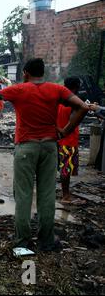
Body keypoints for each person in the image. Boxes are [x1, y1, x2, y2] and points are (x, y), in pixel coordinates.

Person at [0, 58, 90, 251]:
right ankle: (46, 241)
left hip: (26, 147)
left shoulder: (19, 89)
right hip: (50, 147)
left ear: (25, 73)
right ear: (43, 72)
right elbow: (83, 107)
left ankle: (23, 243)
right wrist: (66, 130)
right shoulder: (56, 89)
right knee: (47, 194)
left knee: (24, 194)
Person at [57, 77, 85, 205]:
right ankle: (66, 196)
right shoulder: (74, 103)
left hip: (58, 140)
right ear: (76, 87)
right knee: (66, 170)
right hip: (68, 141)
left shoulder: (59, 100)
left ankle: (65, 194)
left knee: (63, 169)